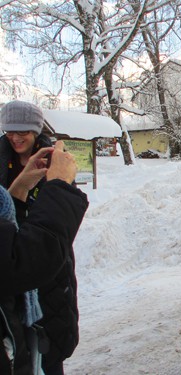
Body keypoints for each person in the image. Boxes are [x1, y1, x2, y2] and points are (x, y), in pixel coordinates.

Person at [0, 100, 79, 375]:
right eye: (10, 130)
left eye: (22, 130)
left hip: (47, 261)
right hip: (12, 261)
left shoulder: (56, 160)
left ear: (35, 130)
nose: (15, 136)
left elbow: (64, 217)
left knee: (50, 342)